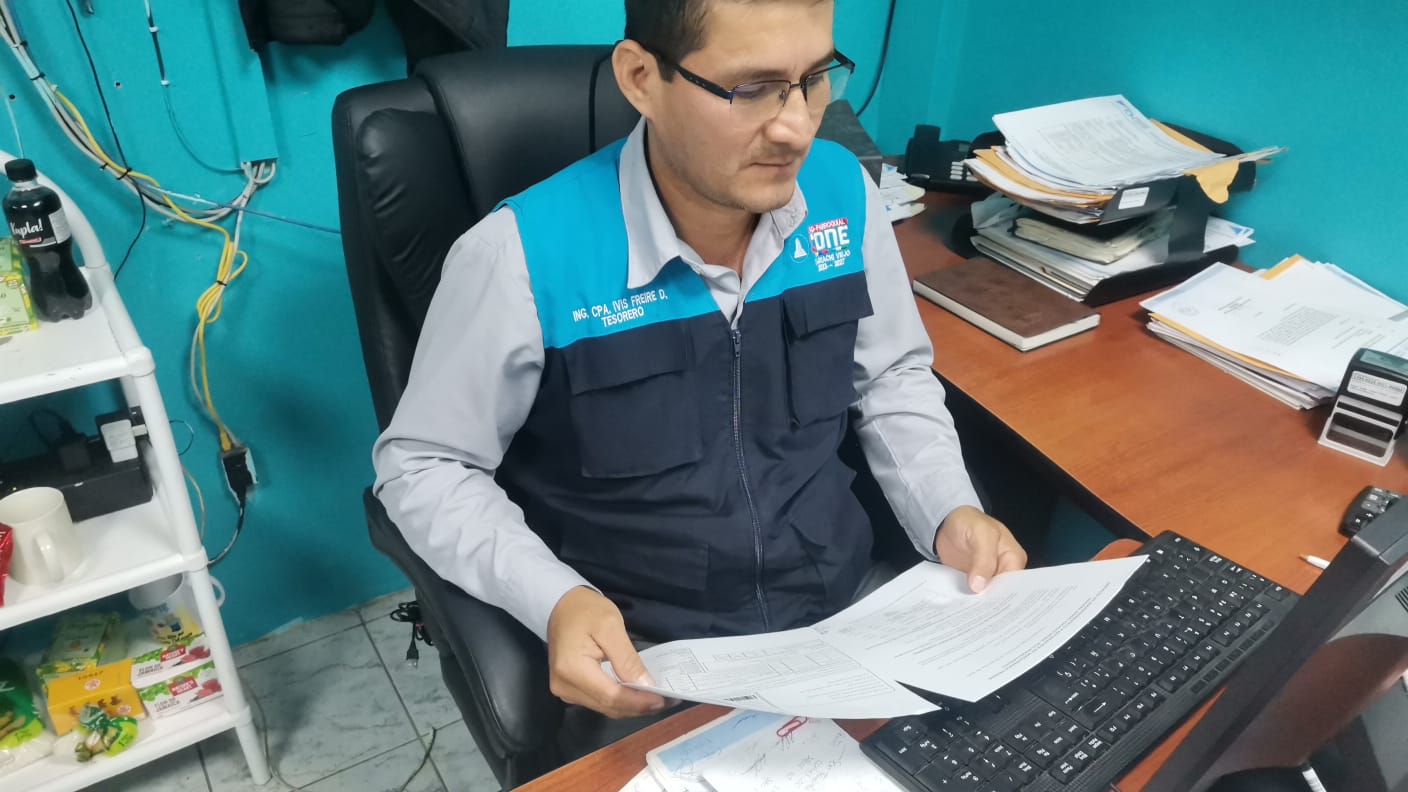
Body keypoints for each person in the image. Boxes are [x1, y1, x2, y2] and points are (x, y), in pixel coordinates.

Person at [372, 0, 1027, 722]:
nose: (797, 127)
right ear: (641, 78)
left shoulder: (843, 194)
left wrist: (948, 510)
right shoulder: (520, 257)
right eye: (752, 88)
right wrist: (557, 600)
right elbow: (424, 466)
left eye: (814, 79)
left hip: (844, 613)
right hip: (649, 657)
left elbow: (890, 376)